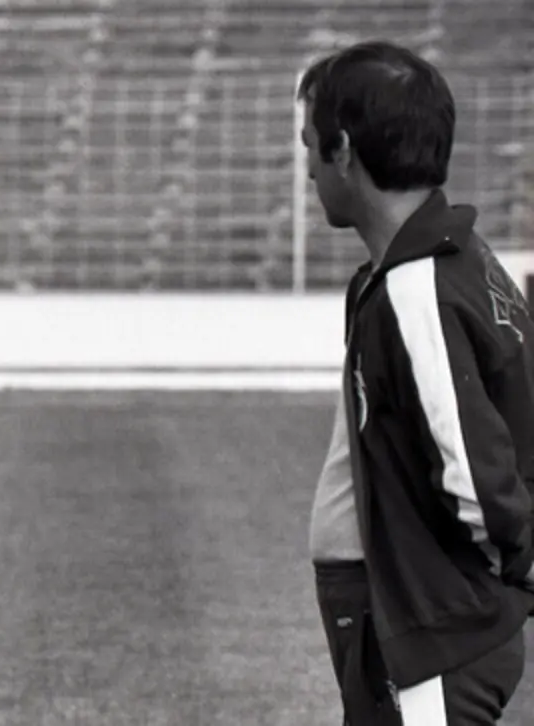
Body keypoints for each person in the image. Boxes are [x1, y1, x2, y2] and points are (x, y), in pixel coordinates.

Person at [301, 41, 534, 725]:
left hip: (435, 635)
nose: (309, 171)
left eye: (310, 147)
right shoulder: (438, 264)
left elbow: (477, 478)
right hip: (408, 624)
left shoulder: (419, 289)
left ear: (344, 150)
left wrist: (513, 571)